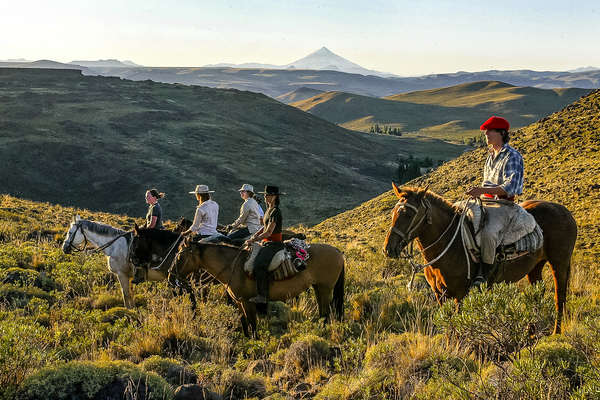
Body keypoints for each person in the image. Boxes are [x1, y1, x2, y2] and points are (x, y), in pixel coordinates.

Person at [466, 116, 524, 287]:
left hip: (504, 205)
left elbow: (510, 187)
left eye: (490, 131)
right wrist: (479, 194)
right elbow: (487, 183)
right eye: (486, 131)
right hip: (486, 202)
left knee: (489, 233)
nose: (486, 134)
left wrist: (482, 191)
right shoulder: (490, 156)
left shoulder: (512, 156)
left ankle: (484, 273)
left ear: (502, 133)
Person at [244, 185, 285, 305]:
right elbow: (264, 228)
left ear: (275, 197)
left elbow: (269, 232)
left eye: (269, 195)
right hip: (266, 242)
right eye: (265, 195)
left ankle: (262, 296)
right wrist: (254, 236)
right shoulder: (268, 210)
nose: (266, 197)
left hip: (274, 244)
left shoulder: (276, 211)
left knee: (259, 265)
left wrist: (254, 239)